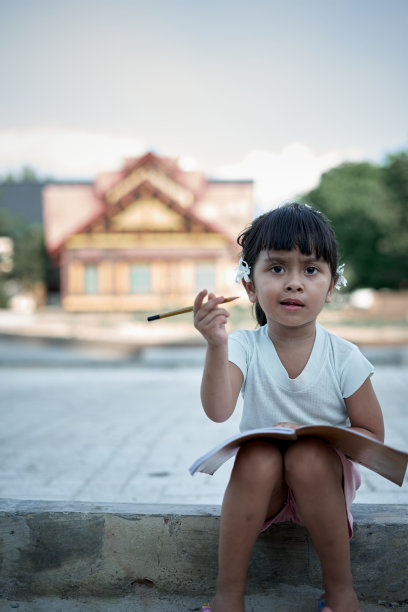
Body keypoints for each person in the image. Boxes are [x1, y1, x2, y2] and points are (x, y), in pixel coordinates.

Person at [193, 202, 384, 612]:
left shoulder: (344, 356)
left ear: (331, 287)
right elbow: (218, 409)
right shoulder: (243, 346)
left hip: (323, 485)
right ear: (249, 284)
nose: (294, 283)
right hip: (264, 491)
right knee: (259, 454)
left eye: (310, 270)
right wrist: (215, 346)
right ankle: (228, 597)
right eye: (276, 268)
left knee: (309, 455)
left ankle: (341, 593)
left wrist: (321, 436)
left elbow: (373, 438)